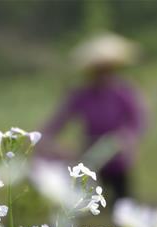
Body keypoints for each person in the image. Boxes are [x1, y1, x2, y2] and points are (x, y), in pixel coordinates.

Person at [39, 32, 147, 202]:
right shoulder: (81, 95)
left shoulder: (124, 92)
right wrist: (48, 141)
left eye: (107, 70)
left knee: (123, 201)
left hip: (117, 157)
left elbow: (138, 120)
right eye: (98, 71)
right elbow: (57, 122)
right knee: (89, 201)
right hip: (90, 157)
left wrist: (127, 138)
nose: (103, 75)